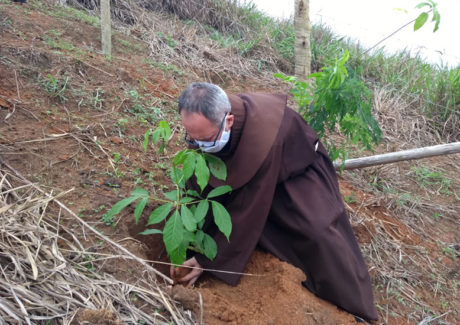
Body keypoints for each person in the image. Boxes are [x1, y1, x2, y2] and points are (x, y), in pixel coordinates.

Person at [170, 82, 378, 322]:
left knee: (317, 231)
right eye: (192, 139)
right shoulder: (206, 129)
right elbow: (198, 178)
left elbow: (249, 206)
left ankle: (353, 303)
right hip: (255, 173)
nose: (198, 147)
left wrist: (208, 260)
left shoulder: (265, 139)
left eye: (205, 140)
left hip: (295, 175)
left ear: (228, 122)